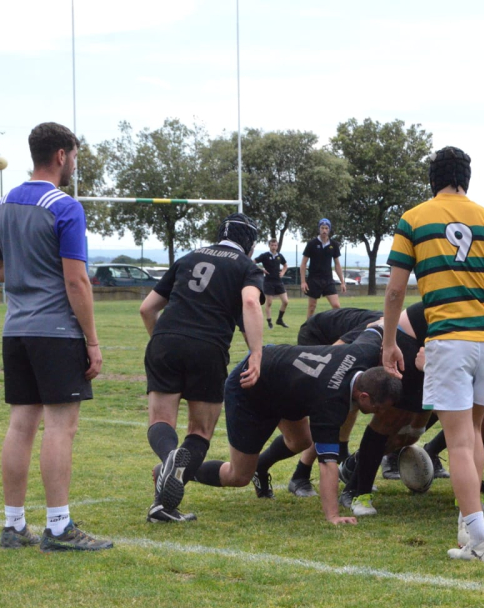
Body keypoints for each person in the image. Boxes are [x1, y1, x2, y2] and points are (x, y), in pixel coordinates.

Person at [382, 146, 484, 562]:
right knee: (472, 431)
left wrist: (390, 341)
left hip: (450, 341)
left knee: (459, 443)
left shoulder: (413, 219)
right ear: (466, 178)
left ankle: (478, 542)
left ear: (432, 180)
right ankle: (470, 527)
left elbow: (396, 289)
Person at [0, 121, 110, 551]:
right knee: (61, 426)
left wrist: (28, 267)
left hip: (16, 328)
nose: (74, 163)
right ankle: (59, 528)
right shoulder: (65, 206)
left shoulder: (0, 206)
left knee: (21, 425)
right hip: (56, 332)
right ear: (61, 155)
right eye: (74, 156)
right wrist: (93, 342)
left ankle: (13, 525)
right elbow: (76, 281)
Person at [191, 329, 401, 524]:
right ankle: (180, 470)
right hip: (250, 388)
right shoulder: (330, 403)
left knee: (301, 441)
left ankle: (261, 467)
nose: (382, 413)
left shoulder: (364, 352)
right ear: (363, 396)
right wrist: (333, 515)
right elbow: (328, 464)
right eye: (380, 407)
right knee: (238, 476)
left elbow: (376, 327)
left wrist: (391, 343)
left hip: (281, 379)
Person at [141, 213, 265, 523]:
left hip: (165, 339)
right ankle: (173, 467)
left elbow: (146, 308)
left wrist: (163, 341)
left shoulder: (189, 257)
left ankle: (162, 505)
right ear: (249, 243)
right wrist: (257, 353)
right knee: (199, 432)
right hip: (208, 348)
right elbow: (250, 303)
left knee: (160, 421)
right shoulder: (247, 267)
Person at [300, 218, 345, 317]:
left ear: (329, 230)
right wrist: (303, 281)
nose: (324, 230)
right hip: (314, 279)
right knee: (312, 307)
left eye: (326, 228)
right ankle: (307, 329)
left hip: (328, 279)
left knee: (336, 306)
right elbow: (303, 264)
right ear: (319, 229)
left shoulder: (334, 245)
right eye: (322, 228)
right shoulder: (312, 244)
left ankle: (336, 329)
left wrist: (342, 281)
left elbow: (337, 264)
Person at [254, 238, 289, 329]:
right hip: (268, 282)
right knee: (269, 303)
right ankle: (269, 322)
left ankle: (279, 320)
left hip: (278, 281)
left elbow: (285, 265)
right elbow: (253, 262)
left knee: (285, 301)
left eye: (275, 245)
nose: (274, 247)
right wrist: (261, 269)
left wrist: (283, 272)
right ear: (269, 246)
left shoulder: (279, 256)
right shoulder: (265, 255)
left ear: (277, 246)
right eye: (272, 245)